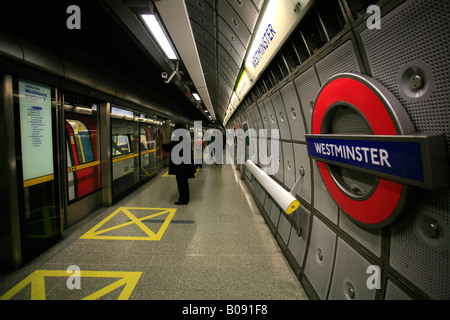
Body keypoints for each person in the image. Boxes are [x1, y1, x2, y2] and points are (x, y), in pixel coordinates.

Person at [161, 124, 197, 205]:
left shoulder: (177, 138)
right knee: (184, 183)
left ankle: (183, 200)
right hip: (186, 165)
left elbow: (168, 148)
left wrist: (162, 145)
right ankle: (185, 198)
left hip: (180, 166)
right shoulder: (186, 138)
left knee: (181, 183)